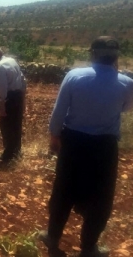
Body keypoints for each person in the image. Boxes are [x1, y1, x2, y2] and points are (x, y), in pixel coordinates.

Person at [39, 37, 133, 257]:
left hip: (73, 143)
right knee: (101, 197)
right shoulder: (126, 83)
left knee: (63, 190)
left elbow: (58, 113)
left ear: (92, 54)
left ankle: (52, 237)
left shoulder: (74, 76)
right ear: (116, 57)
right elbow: (126, 108)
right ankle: (89, 247)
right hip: (104, 147)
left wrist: (54, 138)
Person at [0, 45, 26, 163]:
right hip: (18, 95)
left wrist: (2, 103)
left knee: (6, 126)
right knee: (16, 125)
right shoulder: (12, 61)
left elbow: (2, 88)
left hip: (8, 98)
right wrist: (23, 98)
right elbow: (23, 79)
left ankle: (8, 155)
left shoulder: (0, 66)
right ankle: (16, 152)